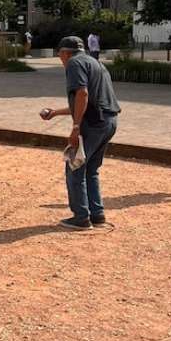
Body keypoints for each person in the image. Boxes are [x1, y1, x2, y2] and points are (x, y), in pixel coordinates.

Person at [40, 35, 121, 230]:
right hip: (109, 121)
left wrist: (76, 127)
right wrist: (55, 113)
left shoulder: (74, 64)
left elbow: (82, 94)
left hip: (91, 124)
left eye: (60, 55)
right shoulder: (94, 63)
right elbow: (84, 102)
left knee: (75, 167)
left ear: (65, 53)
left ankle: (81, 217)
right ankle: (97, 214)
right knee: (91, 170)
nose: (61, 60)